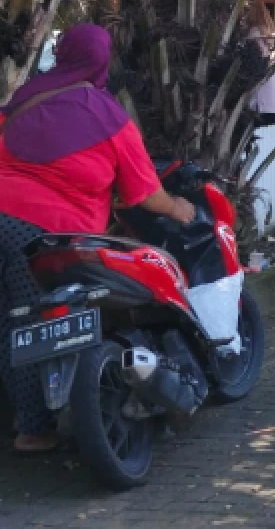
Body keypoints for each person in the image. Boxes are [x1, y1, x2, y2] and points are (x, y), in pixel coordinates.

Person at [0, 24, 195, 453]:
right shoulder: (104, 112)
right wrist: (180, 209)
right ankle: (33, 430)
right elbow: (146, 193)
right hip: (42, 233)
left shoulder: (22, 100)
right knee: (25, 320)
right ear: (103, 61)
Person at [247, 2, 275, 126]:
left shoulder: (254, 33)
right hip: (274, 101)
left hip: (260, 100)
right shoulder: (270, 35)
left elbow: (255, 62)